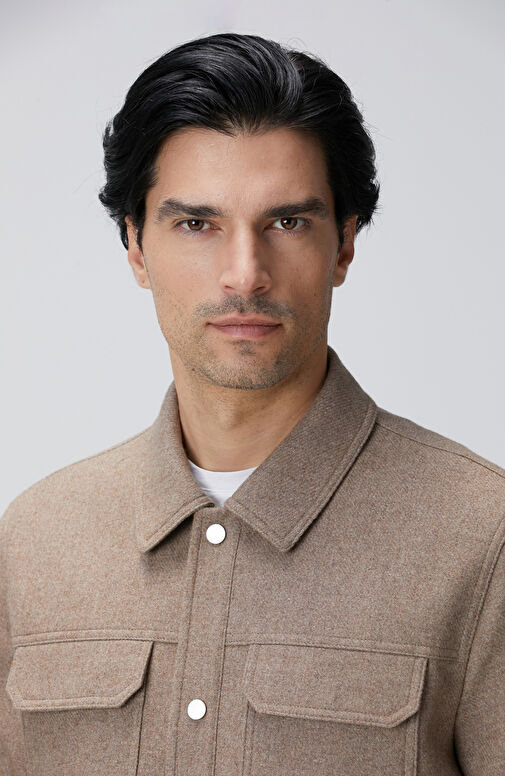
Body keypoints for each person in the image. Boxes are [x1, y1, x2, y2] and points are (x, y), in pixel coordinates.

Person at [1, 31, 504, 776]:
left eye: (287, 222)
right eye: (196, 224)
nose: (245, 273)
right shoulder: (34, 540)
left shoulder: (483, 536)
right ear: (135, 246)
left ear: (344, 244)